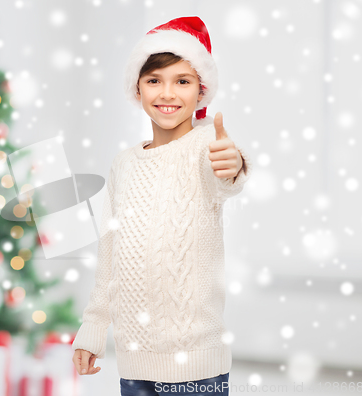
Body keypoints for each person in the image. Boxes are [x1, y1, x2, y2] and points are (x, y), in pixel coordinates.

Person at [71, 15, 252, 396]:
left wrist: (232, 164)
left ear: (201, 91)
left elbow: (227, 176)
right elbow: (110, 255)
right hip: (136, 361)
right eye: (154, 80)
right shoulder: (124, 163)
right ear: (137, 89)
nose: (167, 93)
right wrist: (93, 328)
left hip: (198, 364)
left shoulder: (206, 148)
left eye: (182, 81)